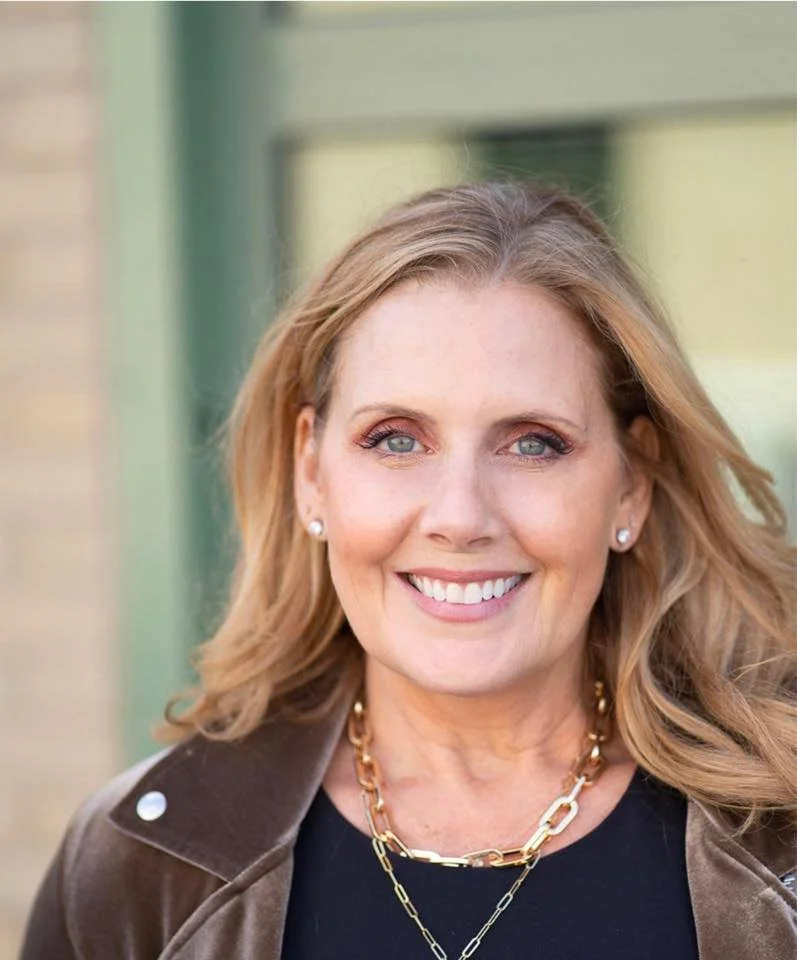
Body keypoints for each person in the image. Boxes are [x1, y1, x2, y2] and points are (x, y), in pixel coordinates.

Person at [21, 182, 796, 960]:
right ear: (310, 472)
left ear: (631, 484)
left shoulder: (779, 840)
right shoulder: (137, 866)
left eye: (532, 443)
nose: (458, 516)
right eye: (395, 439)